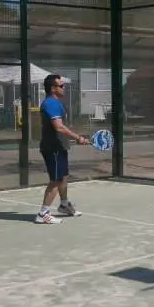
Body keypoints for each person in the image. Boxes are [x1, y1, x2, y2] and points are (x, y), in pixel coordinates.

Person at [36, 73, 88, 224]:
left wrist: (73, 138)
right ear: (53, 89)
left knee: (63, 177)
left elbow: (61, 128)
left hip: (59, 146)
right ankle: (43, 213)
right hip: (53, 148)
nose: (64, 88)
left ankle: (64, 204)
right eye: (61, 86)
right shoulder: (51, 104)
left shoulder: (56, 103)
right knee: (56, 180)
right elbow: (59, 127)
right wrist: (78, 137)